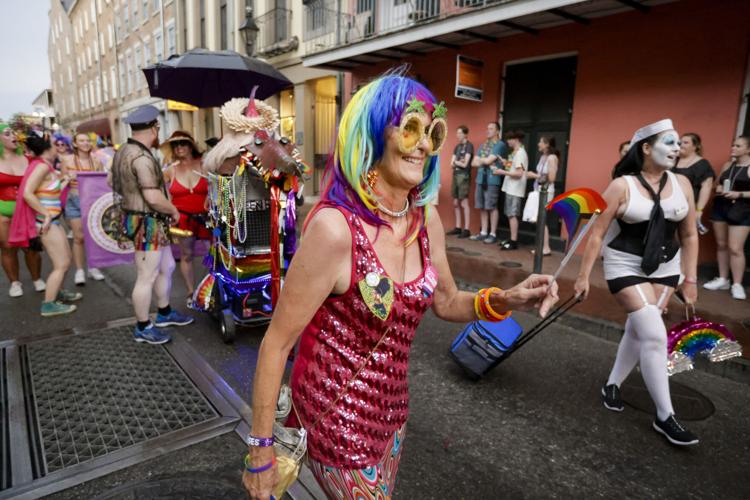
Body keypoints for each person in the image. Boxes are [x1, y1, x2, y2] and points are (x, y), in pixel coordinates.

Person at [242, 73, 559, 500]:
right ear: (372, 134)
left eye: (432, 132)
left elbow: (446, 301)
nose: (424, 144)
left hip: (392, 415)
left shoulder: (424, 221)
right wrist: (260, 452)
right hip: (336, 419)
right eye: (410, 128)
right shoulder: (336, 230)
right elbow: (276, 344)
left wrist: (508, 298)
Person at [574, 119, 700, 446]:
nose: (677, 148)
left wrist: (691, 279)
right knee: (655, 335)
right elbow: (597, 233)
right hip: (625, 264)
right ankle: (664, 415)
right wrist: (584, 276)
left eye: (678, 143)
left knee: (639, 328)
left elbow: (688, 234)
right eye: (669, 142)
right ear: (646, 148)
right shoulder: (622, 186)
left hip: (666, 267)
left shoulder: (683, 184)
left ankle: (612, 385)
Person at [110, 105, 194, 344]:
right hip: (147, 222)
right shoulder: (143, 157)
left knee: (166, 266)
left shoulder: (122, 151)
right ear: (155, 128)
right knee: (146, 276)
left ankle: (165, 312)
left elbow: (110, 180)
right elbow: (153, 198)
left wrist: (130, 193)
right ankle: (143, 326)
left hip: (147, 221)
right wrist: (174, 210)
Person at [12, 133, 82, 316]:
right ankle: (49, 304)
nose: (57, 146)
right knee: (62, 264)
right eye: (53, 144)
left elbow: (49, 189)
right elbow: (27, 193)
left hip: (53, 220)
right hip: (46, 222)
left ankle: (57, 291)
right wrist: (45, 214)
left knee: (66, 259)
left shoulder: (47, 167)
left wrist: (67, 178)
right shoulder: (41, 167)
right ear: (47, 148)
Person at [161, 131, 209, 303]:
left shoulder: (205, 165)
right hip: (183, 220)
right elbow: (158, 191)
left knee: (215, 253)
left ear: (190, 145)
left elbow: (218, 185)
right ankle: (191, 292)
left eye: (183, 143)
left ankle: (213, 288)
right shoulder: (169, 171)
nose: (179, 147)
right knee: (186, 255)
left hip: (207, 218)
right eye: (176, 145)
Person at [0, 123, 44, 297]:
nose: (13, 136)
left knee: (31, 247)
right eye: (7, 133)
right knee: (7, 248)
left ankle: (37, 279)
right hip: (2, 213)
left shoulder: (28, 158)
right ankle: (14, 282)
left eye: (13, 132)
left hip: (27, 212)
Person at [704, 135, 750, 300]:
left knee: (735, 248)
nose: (733, 148)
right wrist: (720, 187)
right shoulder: (728, 165)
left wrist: (739, 194)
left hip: (742, 209)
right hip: (721, 206)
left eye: (738, 146)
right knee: (722, 245)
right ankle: (723, 279)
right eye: (733, 145)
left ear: (748, 149)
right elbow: (716, 184)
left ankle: (737, 284)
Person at [60, 131, 106, 286]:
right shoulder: (66, 160)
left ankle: (93, 267)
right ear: (74, 144)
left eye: (87, 141)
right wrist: (68, 177)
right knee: (79, 238)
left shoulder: (96, 160)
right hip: (74, 201)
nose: (86, 143)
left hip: (92, 202)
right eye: (81, 141)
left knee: (93, 238)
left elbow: (102, 182)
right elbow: (61, 183)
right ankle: (80, 270)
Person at [470, 122, 506, 243]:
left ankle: (493, 233)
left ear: (497, 131)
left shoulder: (499, 145)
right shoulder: (483, 145)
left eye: (491, 129)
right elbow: (473, 163)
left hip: (492, 180)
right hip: (480, 179)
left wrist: (483, 160)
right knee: (482, 206)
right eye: (487, 128)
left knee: (491, 206)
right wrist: (484, 161)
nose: (488, 130)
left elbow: (489, 160)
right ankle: (484, 232)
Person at [673, 133, 714, 236]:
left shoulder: (703, 164)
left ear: (695, 146)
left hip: (687, 206)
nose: (681, 145)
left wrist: (699, 210)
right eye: (680, 142)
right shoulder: (673, 160)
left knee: (681, 236)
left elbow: (706, 187)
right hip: (668, 203)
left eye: (685, 142)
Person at [494, 130, 528, 250]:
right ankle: (511, 238)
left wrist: (501, 172)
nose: (508, 141)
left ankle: (513, 241)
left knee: (512, 214)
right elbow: (514, 167)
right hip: (511, 188)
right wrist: (504, 162)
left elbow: (519, 173)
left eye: (509, 139)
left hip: (515, 189)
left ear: (516, 139)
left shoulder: (520, 153)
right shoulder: (516, 153)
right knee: (510, 214)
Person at [526, 136, 560, 256]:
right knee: (538, 219)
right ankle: (542, 247)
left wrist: (534, 176)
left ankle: (545, 247)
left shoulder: (552, 158)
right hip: (538, 190)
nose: (538, 144)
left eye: (541, 142)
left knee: (541, 219)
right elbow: (541, 174)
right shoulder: (543, 157)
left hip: (546, 191)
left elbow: (551, 178)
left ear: (547, 144)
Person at [446, 125, 474, 238]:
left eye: (460, 133)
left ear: (465, 134)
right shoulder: (457, 147)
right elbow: (451, 163)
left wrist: (457, 162)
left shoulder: (469, 146)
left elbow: (465, 164)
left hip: (464, 176)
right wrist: (458, 162)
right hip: (456, 174)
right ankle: (458, 227)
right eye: (457, 133)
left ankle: (466, 229)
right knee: (456, 203)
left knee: (464, 203)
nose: (458, 135)